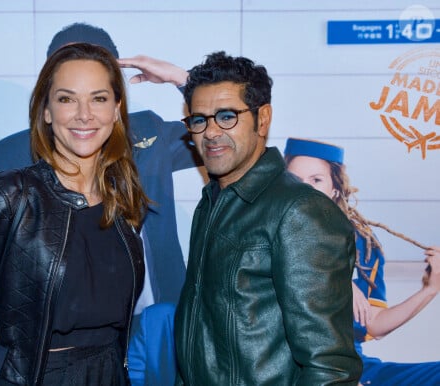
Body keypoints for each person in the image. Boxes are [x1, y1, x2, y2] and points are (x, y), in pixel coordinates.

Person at [0, 43, 150, 385]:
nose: (84, 114)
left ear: (116, 109)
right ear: (46, 111)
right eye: (67, 99)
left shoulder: (122, 199)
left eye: (98, 98)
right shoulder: (7, 197)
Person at [174, 51, 362, 385]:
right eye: (200, 119)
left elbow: (330, 368)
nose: (211, 132)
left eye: (227, 116)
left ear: (263, 119)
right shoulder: (211, 203)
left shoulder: (301, 212)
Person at [284, 137, 440, 385]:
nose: (305, 189)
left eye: (316, 180)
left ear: (334, 188)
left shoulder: (363, 244)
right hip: (292, 365)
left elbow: (375, 324)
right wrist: (336, 276)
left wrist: (430, 289)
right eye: (295, 180)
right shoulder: (268, 233)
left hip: (355, 367)